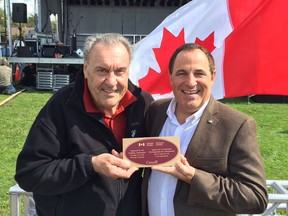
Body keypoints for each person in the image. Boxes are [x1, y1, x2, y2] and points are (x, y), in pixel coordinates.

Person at [15, 33, 153, 216]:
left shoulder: (143, 104)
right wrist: (90, 165)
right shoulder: (62, 106)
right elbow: (30, 173)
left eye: (120, 71)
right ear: (86, 69)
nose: (112, 82)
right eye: (102, 70)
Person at [142, 43, 268, 216]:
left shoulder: (236, 125)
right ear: (171, 77)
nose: (191, 82)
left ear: (212, 77)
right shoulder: (155, 112)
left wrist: (193, 177)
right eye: (182, 73)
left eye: (199, 73)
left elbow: (255, 197)